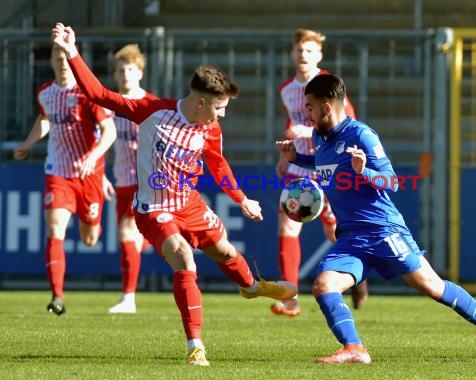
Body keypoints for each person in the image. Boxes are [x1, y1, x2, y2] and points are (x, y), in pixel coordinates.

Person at [52, 23, 297, 366]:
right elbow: (100, 95)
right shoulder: (153, 111)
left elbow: (218, 164)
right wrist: (72, 52)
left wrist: (241, 199)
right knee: (183, 257)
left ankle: (251, 287)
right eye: (219, 107)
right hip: (153, 209)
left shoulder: (210, 128)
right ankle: (195, 345)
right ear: (200, 101)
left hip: (191, 204)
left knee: (225, 252)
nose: (222, 113)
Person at [276, 73, 476, 364]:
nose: (306, 112)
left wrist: (364, 172)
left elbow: (392, 182)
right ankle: (355, 348)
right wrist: (297, 159)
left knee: (434, 287)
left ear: (327, 108)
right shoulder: (320, 137)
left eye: (309, 106)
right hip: (352, 238)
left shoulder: (362, 135)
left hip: (384, 231)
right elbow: (325, 165)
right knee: (324, 285)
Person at [13, 44, 117, 316]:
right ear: (50, 60)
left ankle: (91, 221)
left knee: (90, 238)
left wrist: (94, 159)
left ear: (73, 61)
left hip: (89, 174)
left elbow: (109, 131)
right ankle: (57, 296)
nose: (62, 63)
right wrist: (29, 141)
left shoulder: (87, 92)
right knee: (55, 226)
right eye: (57, 59)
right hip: (57, 171)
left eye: (65, 59)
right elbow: (45, 119)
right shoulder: (45, 92)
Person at [272, 28, 368, 317]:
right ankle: (290, 297)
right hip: (298, 166)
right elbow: (293, 121)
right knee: (288, 224)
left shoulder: (328, 86)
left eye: (310, 51)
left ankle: (357, 278)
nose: (304, 55)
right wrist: (284, 156)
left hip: (328, 166)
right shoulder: (287, 89)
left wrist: (306, 130)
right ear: (292, 53)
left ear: (319, 56)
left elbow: (348, 121)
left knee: (334, 229)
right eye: (300, 50)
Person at [106, 44, 152, 314]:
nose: (126, 74)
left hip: (146, 182)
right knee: (131, 238)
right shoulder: (109, 105)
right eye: (121, 70)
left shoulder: (149, 104)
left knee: (126, 232)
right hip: (122, 180)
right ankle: (128, 297)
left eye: (131, 69)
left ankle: (128, 298)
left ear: (140, 73)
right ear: (115, 74)